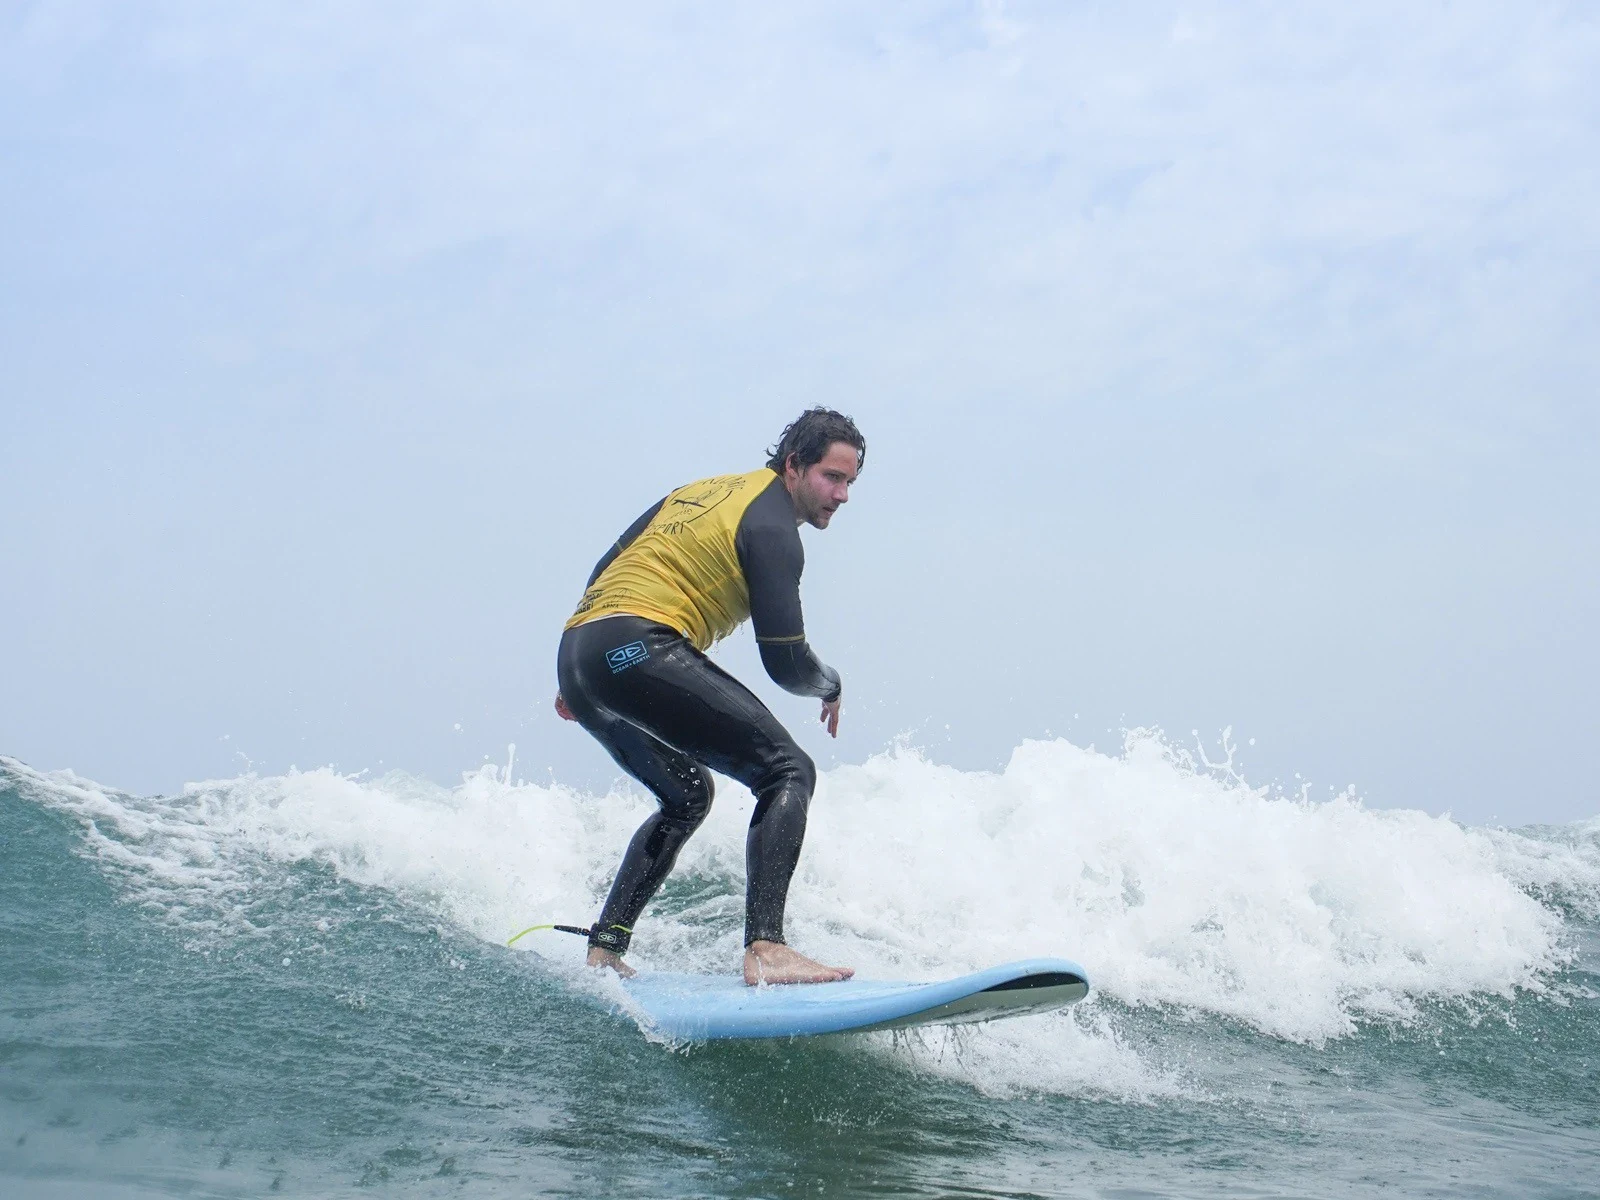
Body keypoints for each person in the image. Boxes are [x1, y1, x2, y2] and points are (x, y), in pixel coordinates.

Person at [554, 408, 863, 985]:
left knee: (687, 795)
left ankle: (606, 947)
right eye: (832, 478)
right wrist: (831, 683)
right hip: (636, 644)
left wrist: (581, 669)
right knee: (788, 771)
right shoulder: (772, 528)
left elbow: (607, 566)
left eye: (850, 482)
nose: (843, 495)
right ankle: (767, 947)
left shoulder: (695, 493)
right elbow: (785, 661)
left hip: (581, 651)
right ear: (794, 466)